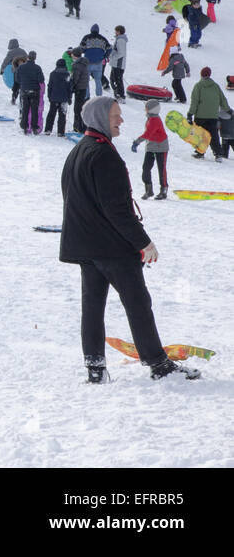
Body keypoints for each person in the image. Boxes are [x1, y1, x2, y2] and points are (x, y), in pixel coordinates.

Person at [60, 96, 199, 382]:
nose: (121, 120)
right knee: (137, 303)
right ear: (99, 117)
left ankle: (95, 367)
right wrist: (143, 242)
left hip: (88, 247)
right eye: (115, 115)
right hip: (112, 248)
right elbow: (117, 209)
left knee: (93, 306)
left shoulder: (78, 151)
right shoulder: (102, 154)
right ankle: (158, 365)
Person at [188, 66, 230, 160]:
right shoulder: (215, 86)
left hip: (200, 116)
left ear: (201, 74)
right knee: (213, 135)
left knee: (200, 134)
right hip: (213, 116)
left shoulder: (198, 86)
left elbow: (194, 101)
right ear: (209, 74)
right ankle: (218, 154)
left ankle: (200, 152)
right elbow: (222, 99)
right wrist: (228, 110)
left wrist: (190, 114)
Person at [131, 100, 169, 200]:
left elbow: (147, 134)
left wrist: (137, 142)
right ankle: (149, 189)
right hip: (151, 146)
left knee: (161, 168)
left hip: (161, 147)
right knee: (146, 167)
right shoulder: (150, 118)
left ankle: (164, 190)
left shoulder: (154, 120)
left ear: (151, 109)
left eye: (146, 108)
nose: (145, 109)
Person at [15, 51, 45, 135]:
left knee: (25, 109)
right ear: (35, 58)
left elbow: (17, 79)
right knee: (34, 110)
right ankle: (34, 127)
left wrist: (24, 83)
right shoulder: (37, 68)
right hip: (35, 91)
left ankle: (24, 126)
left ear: (28, 57)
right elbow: (41, 80)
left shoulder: (21, 67)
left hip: (25, 90)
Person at [79, 25, 111, 96]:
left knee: (86, 81)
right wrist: (105, 56)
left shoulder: (86, 37)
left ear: (91, 30)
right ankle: (99, 96)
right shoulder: (103, 39)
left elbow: (81, 48)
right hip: (98, 62)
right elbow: (109, 48)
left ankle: (87, 96)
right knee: (98, 80)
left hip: (88, 62)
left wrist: (85, 51)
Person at [45, 57, 72, 136]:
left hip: (54, 97)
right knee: (62, 115)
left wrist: (49, 96)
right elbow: (69, 88)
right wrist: (69, 98)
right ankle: (60, 132)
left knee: (51, 114)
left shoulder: (53, 74)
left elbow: (50, 86)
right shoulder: (67, 74)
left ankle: (48, 130)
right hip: (64, 98)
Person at [70, 48, 90, 132]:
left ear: (75, 55)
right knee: (82, 108)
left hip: (79, 88)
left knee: (77, 109)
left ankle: (77, 128)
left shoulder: (77, 65)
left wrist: (71, 87)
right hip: (84, 88)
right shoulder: (84, 63)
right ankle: (83, 127)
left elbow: (75, 78)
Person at [0, 39, 27, 105]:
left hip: (16, 72)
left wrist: (2, 70)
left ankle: (13, 99)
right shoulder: (23, 51)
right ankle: (22, 101)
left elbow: (5, 62)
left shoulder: (11, 52)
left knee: (16, 86)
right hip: (24, 72)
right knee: (23, 86)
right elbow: (27, 60)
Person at [108, 26, 128, 101]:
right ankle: (118, 94)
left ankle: (120, 95)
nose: (115, 33)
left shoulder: (121, 40)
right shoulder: (119, 39)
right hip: (116, 64)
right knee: (114, 79)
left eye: (116, 31)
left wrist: (113, 57)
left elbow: (121, 53)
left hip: (118, 64)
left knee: (117, 80)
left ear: (119, 32)